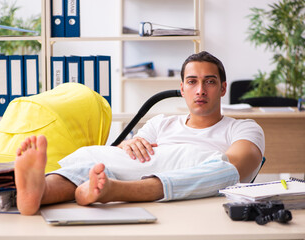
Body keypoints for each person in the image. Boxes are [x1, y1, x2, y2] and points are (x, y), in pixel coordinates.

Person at [14, 51, 265, 215]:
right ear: (181, 89)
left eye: (209, 82)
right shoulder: (161, 123)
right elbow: (127, 156)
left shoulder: (243, 127)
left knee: (224, 170)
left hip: (191, 179)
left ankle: (116, 190)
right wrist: (128, 146)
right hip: (137, 173)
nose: (200, 90)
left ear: (222, 88)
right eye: (192, 82)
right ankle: (39, 191)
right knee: (98, 162)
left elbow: (237, 168)